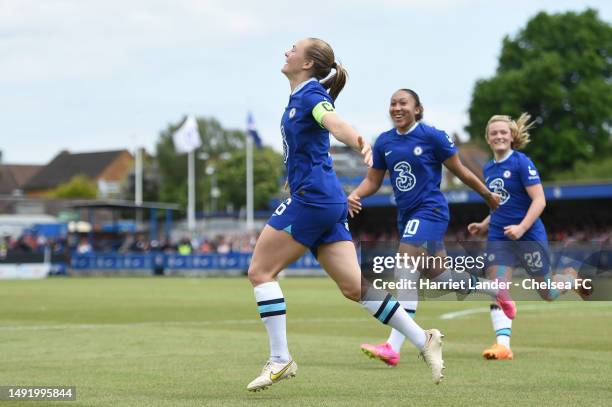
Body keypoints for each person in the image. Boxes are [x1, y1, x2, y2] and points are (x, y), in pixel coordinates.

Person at [246, 39, 445, 392]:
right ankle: (423, 339)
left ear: (308, 64)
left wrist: (358, 140)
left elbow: (332, 120)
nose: (285, 52)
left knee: (260, 272)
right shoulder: (299, 97)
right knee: (355, 288)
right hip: (328, 201)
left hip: (313, 200)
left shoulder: (311, 96)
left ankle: (280, 359)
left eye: (293, 48)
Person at [348, 89, 510, 367]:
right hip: (407, 216)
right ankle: (495, 291)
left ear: (417, 109)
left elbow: (461, 171)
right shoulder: (384, 142)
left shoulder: (433, 136)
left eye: (403, 103)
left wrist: (486, 195)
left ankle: (393, 346)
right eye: (393, 103)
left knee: (404, 264)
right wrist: (355, 194)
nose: (397, 108)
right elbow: (373, 180)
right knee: (440, 278)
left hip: (431, 211)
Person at [467, 113, 592, 360]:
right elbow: (501, 204)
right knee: (497, 288)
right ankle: (503, 346)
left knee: (547, 293)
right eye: (494, 133)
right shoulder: (489, 168)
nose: (499, 136)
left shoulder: (522, 163)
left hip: (528, 235)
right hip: (500, 237)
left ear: (512, 136)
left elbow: (539, 200)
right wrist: (484, 224)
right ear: (488, 139)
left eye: (503, 132)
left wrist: (522, 228)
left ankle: (570, 279)